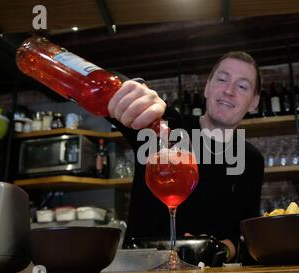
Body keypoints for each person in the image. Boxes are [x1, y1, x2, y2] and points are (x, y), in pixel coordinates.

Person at [107, 51, 264, 261]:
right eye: (222, 79)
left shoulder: (251, 159)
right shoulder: (164, 124)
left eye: (242, 86)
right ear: (207, 87)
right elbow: (107, 85)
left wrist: (218, 250)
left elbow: (248, 236)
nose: (229, 90)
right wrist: (133, 89)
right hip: (143, 270)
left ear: (254, 102)